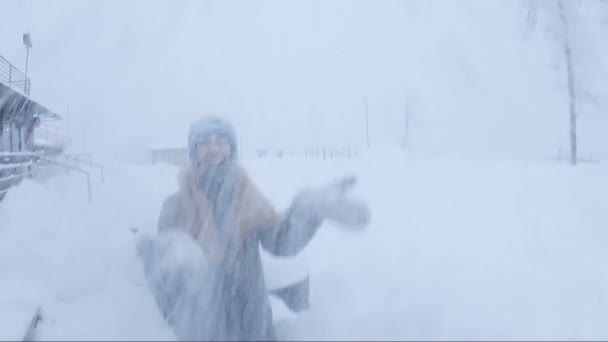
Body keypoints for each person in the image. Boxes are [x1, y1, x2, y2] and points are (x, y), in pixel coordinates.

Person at [138, 116, 370, 341]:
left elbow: (282, 241)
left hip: (252, 323)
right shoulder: (176, 205)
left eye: (221, 142)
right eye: (205, 143)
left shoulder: (247, 198)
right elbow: (166, 272)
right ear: (193, 151)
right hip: (203, 328)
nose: (213, 148)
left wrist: (309, 209)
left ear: (232, 150)